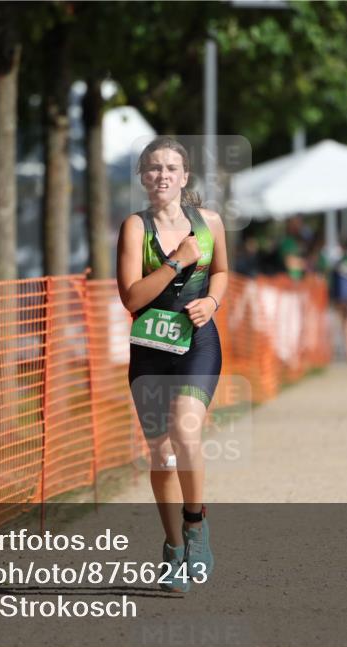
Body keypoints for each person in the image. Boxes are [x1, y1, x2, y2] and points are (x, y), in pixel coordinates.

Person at [116, 137, 228, 593]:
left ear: (185, 177)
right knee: (160, 452)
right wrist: (176, 262)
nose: (162, 175)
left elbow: (221, 270)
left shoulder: (210, 223)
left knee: (185, 431)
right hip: (150, 348)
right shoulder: (134, 228)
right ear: (143, 177)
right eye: (153, 168)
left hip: (198, 340)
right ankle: (172, 547)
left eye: (171, 168)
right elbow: (131, 298)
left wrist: (213, 301)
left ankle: (196, 525)